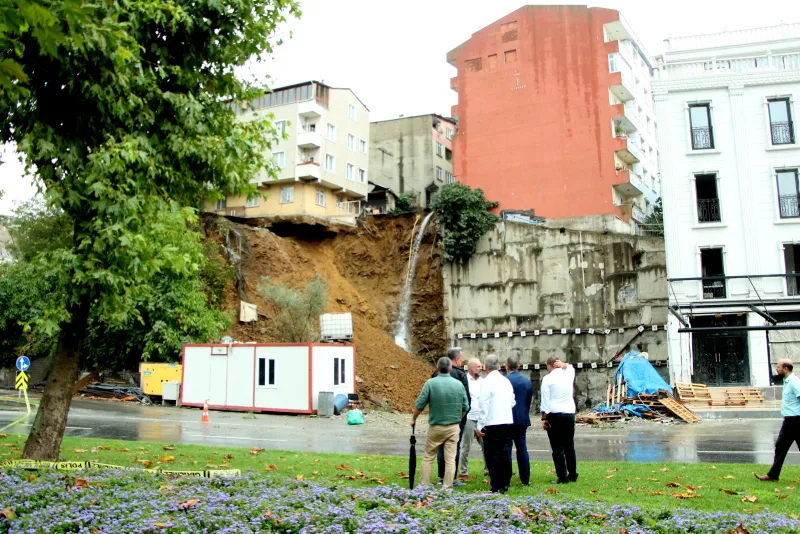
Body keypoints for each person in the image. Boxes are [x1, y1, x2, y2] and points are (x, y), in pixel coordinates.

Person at [411, 356, 469, 488]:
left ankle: (423, 485)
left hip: (436, 427)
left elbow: (420, 404)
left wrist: (413, 418)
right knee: (450, 459)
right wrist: (458, 419)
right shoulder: (459, 384)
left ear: (437, 368)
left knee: (429, 456)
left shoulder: (430, 383)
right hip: (453, 426)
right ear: (450, 368)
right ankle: (447, 487)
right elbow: (466, 406)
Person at [755, 359, 800, 482]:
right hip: (790, 421)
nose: (776, 369)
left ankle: (772, 475)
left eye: (778, 367)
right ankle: (773, 475)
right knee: (780, 446)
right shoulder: (787, 381)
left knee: (781, 446)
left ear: (785, 369)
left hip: (795, 421)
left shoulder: (794, 382)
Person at [475, 354, 515, 493]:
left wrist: (480, 425)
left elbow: (483, 404)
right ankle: (505, 482)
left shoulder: (486, 382)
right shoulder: (506, 381)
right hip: (507, 421)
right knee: (505, 453)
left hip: (493, 422)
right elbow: (512, 402)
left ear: (486, 367)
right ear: (499, 365)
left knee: (493, 454)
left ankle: (496, 484)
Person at [432, 347, 470, 486]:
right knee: (455, 446)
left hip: (439, 418)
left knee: (441, 447)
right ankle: (452, 478)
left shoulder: (435, 375)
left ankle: (442, 477)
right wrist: (462, 417)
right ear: (457, 359)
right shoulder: (460, 375)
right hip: (456, 418)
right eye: (462, 359)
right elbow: (466, 399)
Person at [541, 357, 578, 484]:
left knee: (557, 447)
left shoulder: (547, 379)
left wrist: (544, 418)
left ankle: (562, 476)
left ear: (550, 366)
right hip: (569, 413)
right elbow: (571, 367)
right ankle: (572, 474)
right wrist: (565, 365)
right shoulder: (568, 374)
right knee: (569, 445)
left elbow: (545, 401)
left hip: (554, 413)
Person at [459, 358, 488, 477]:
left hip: (481, 418)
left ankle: (488, 469)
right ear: (470, 368)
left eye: (481, 366)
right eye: (478, 366)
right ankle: (463, 471)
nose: (480, 368)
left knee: (486, 445)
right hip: (469, 417)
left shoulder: (484, 382)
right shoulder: (465, 381)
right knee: (466, 446)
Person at [506, 355, 533, 486]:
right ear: (519, 366)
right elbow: (528, 401)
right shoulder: (527, 381)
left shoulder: (505, 381)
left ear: (507, 366)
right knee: (522, 447)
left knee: (507, 448)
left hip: (507, 418)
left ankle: (507, 477)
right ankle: (525, 478)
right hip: (522, 418)